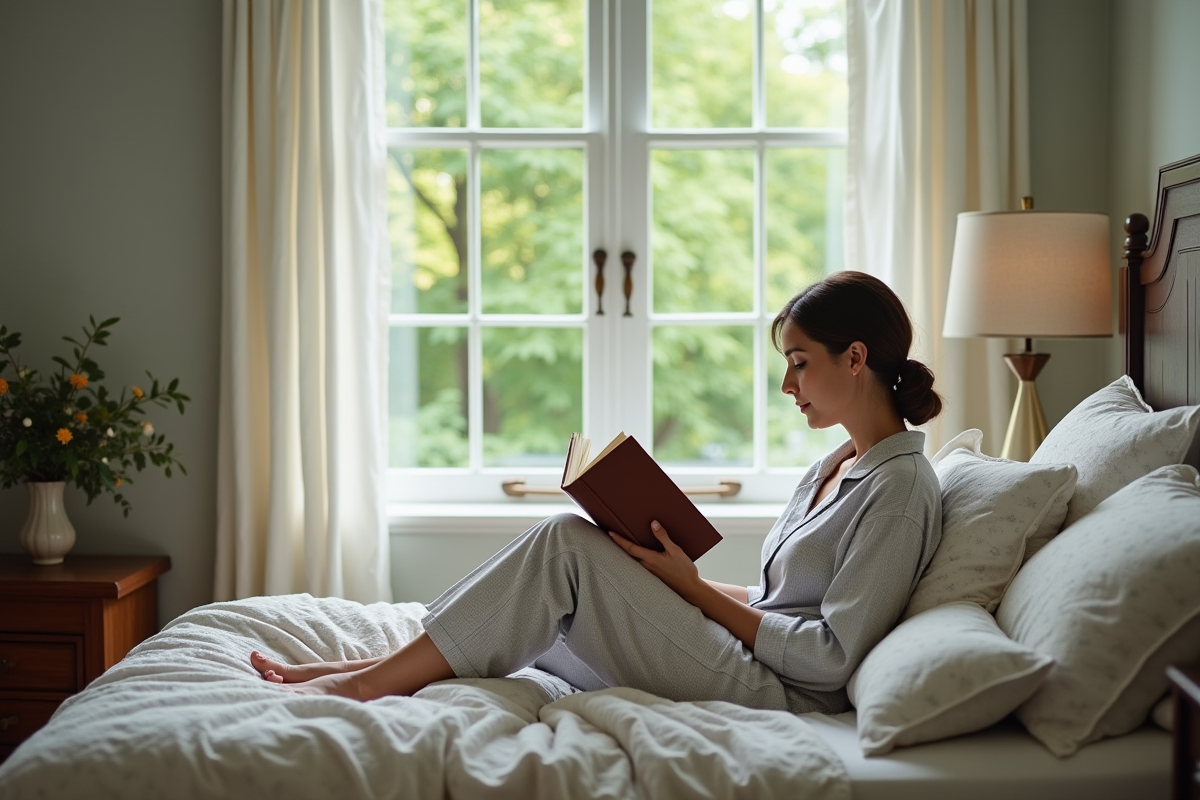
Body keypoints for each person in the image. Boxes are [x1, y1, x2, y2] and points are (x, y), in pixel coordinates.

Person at [250, 270, 944, 714]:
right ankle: (366, 667)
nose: (787, 386)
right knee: (546, 594)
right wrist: (669, 575)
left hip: (778, 691)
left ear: (855, 358)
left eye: (798, 364)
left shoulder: (901, 488)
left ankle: (364, 685)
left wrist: (694, 592)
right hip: (746, 652)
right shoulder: (832, 466)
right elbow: (773, 603)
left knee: (563, 546)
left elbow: (827, 657)